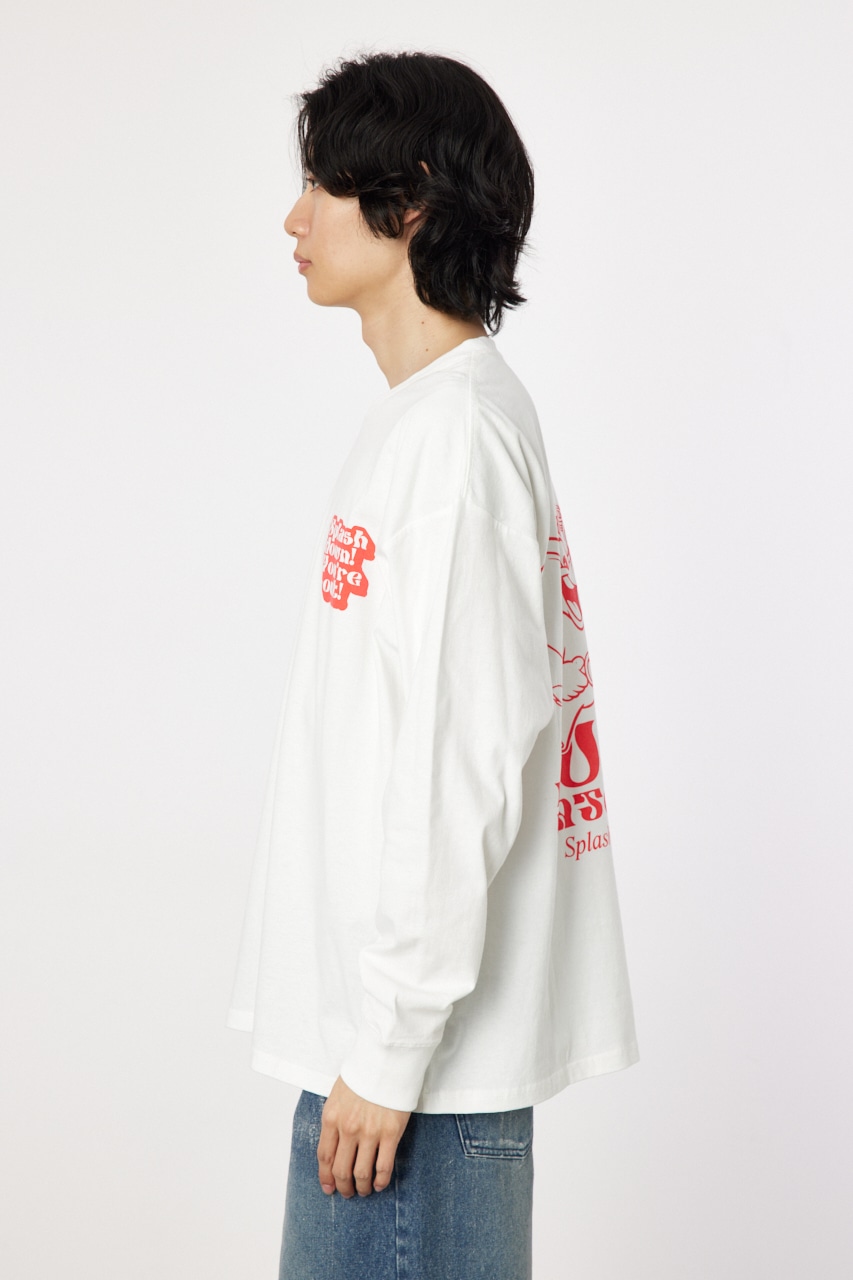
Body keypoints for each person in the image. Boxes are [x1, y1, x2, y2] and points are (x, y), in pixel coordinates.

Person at [226, 49, 639, 1280]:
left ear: (406, 201)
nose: (293, 219)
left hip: (410, 1080)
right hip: (390, 1058)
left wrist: (391, 1048)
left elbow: (463, 761)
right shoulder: (431, 422)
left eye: (320, 185)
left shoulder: (454, 439)